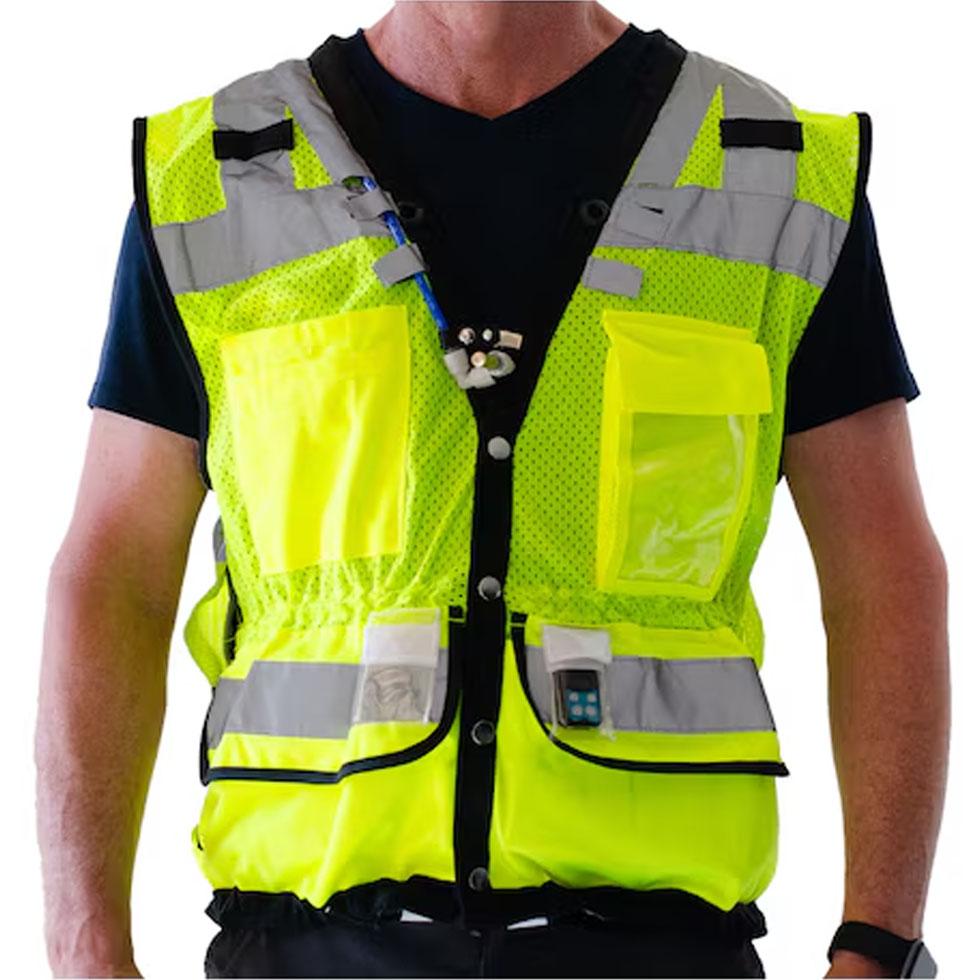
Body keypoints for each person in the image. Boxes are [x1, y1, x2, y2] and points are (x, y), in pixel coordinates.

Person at [36, 2, 950, 977]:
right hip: (303, 944)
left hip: (657, 950)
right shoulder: (213, 181)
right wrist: (88, 951)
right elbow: (116, 575)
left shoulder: (772, 179)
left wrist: (877, 943)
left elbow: (881, 573)